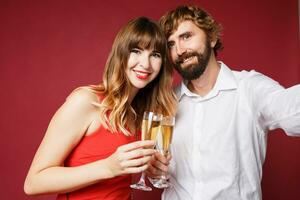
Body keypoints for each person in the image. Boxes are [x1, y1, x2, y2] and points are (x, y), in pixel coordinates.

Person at [147, 5, 300, 200]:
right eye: (170, 44)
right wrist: (157, 171)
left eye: (186, 37)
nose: (179, 50)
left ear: (211, 38)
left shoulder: (249, 88)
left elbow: (290, 109)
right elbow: (163, 171)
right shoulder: (167, 101)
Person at [24, 16, 177, 200]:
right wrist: (107, 167)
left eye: (155, 55)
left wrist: (151, 169)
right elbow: (33, 183)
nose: (145, 64)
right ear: (121, 54)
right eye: (136, 51)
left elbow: (118, 186)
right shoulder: (86, 101)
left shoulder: (138, 114)